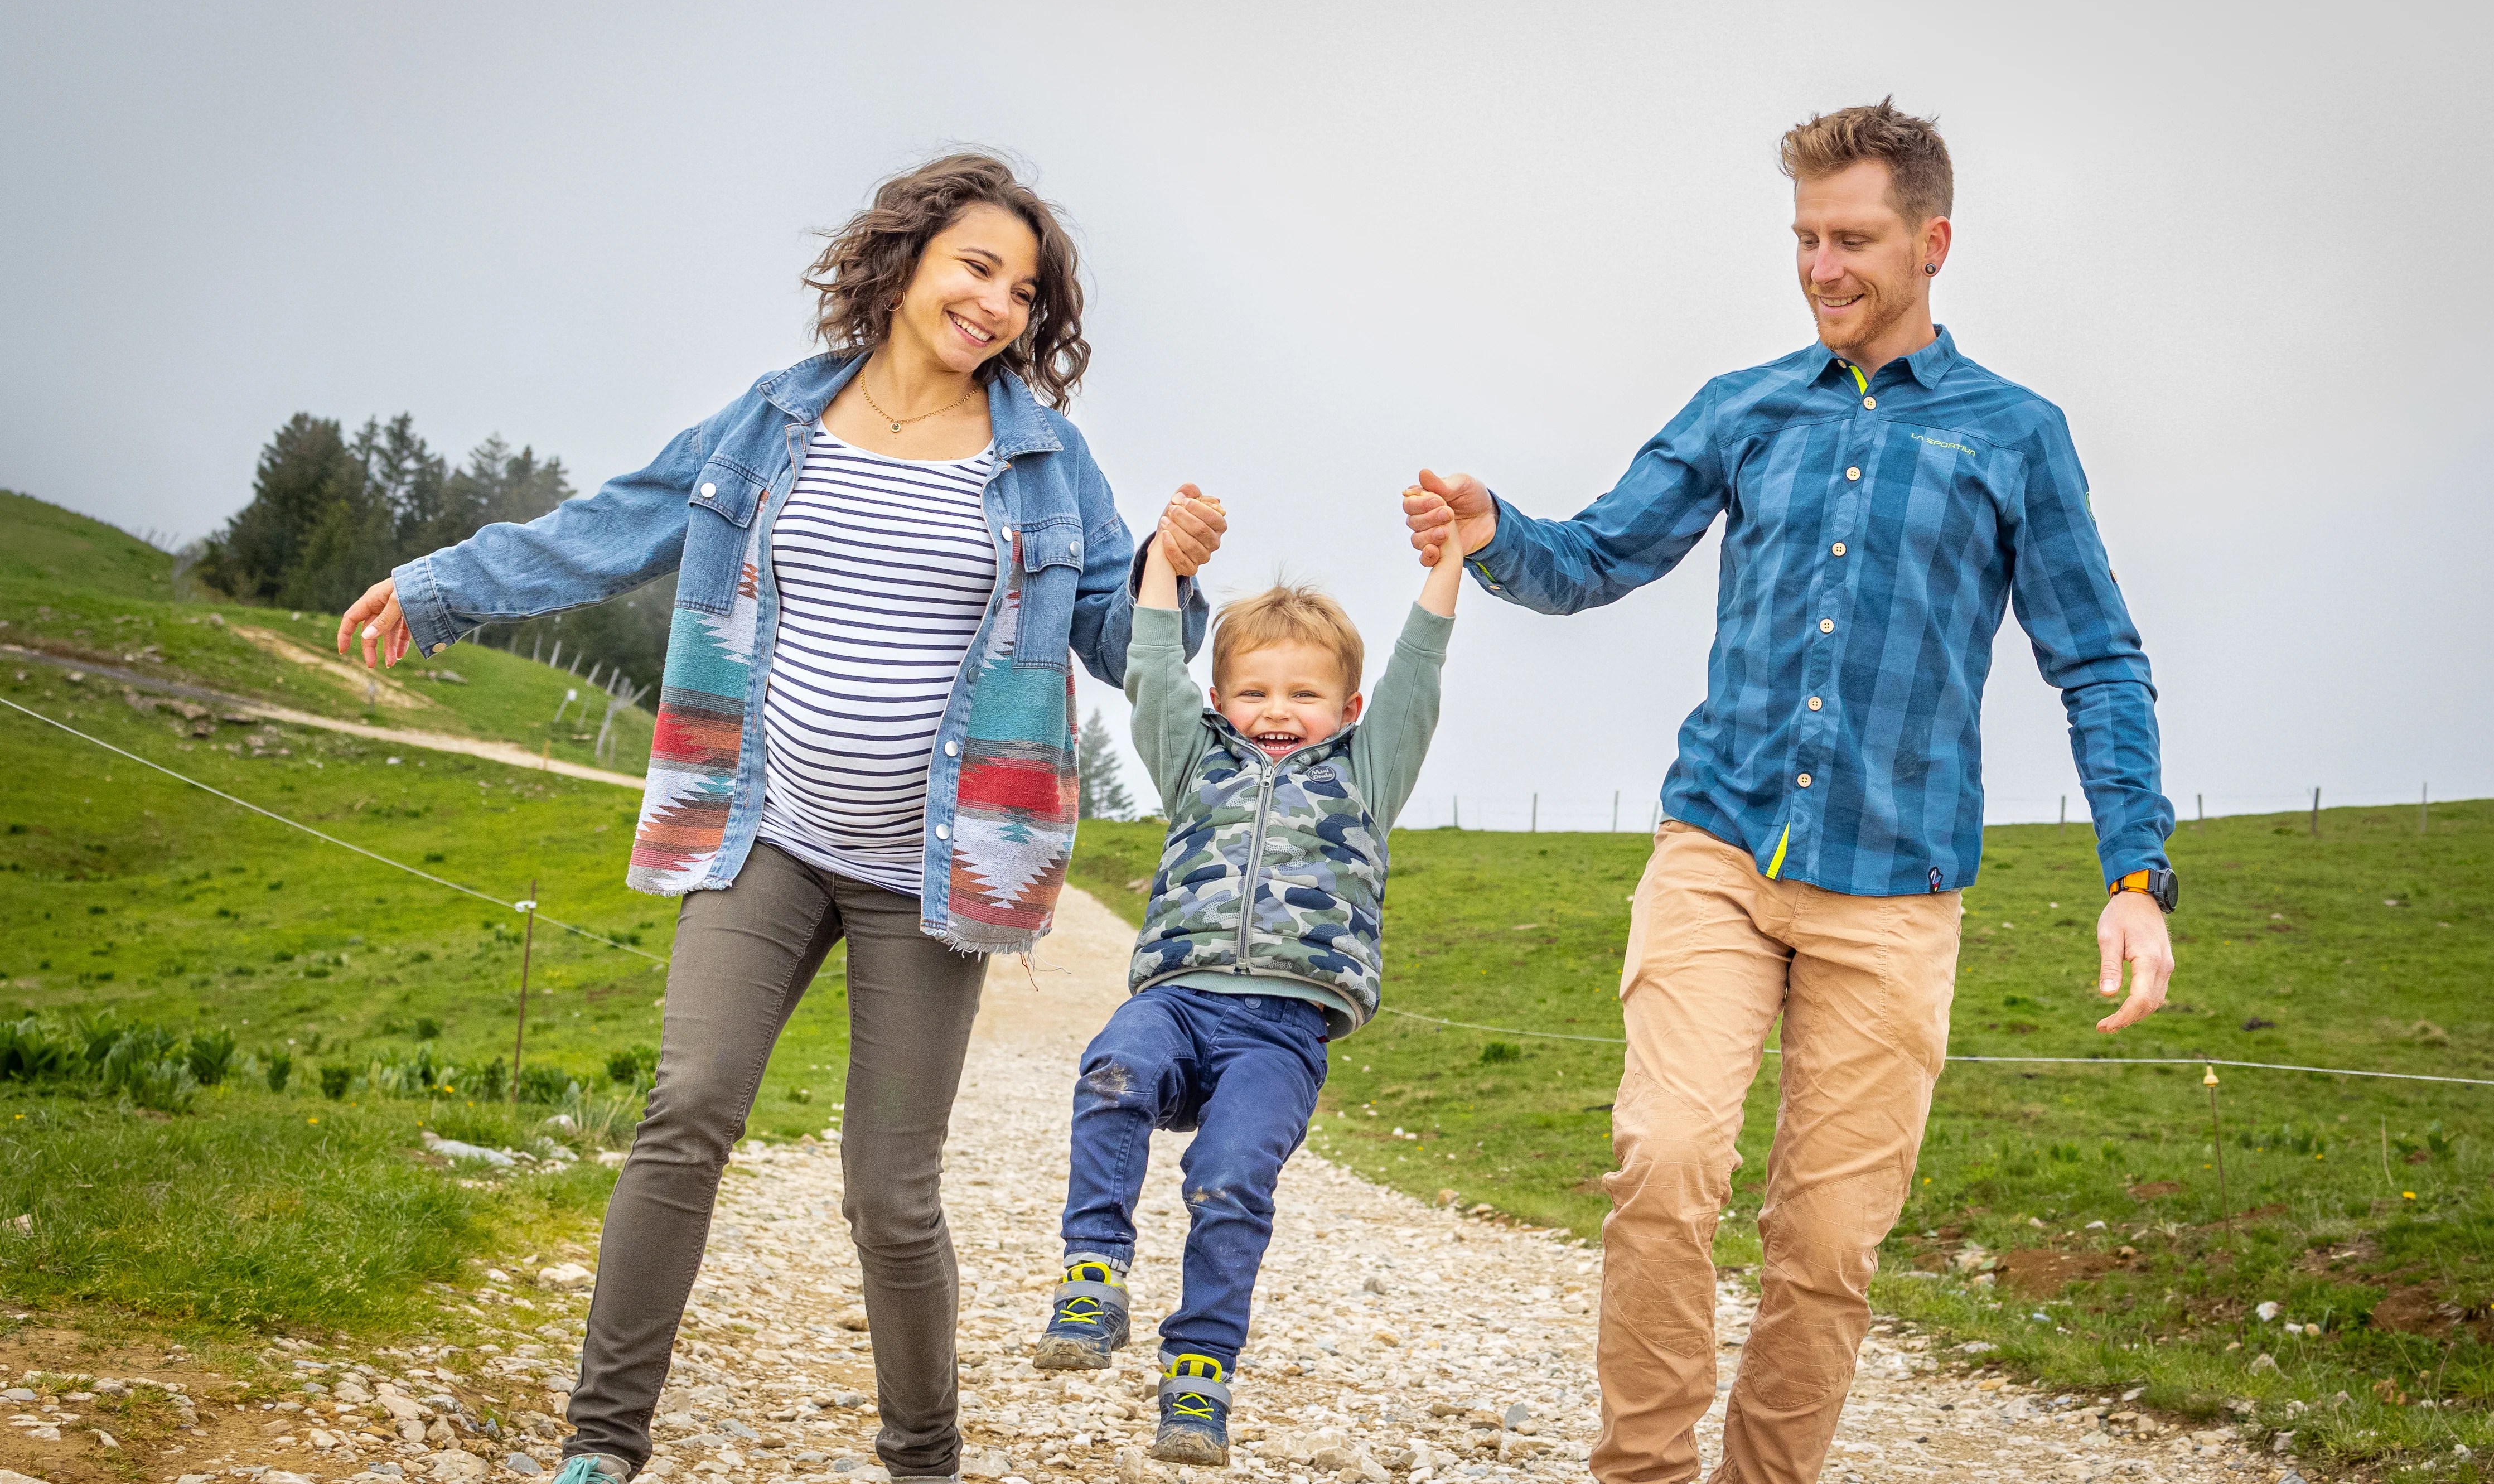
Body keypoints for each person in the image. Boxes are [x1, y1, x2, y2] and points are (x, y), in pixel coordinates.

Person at [334, 153, 1229, 1484]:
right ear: (909, 257)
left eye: (1023, 291)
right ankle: (602, 1441)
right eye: (976, 266)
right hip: (763, 827)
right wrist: (448, 585)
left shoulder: (1045, 464)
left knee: (890, 1191)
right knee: (686, 1108)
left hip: (932, 871)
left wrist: (1167, 575)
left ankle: (923, 1455)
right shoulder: (772, 422)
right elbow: (619, 523)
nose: (995, 303)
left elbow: (1113, 638)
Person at [1401, 99, 2179, 1484]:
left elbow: (2099, 662)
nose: (1823, 267)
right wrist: (1494, 534)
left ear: (1932, 243)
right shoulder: (1743, 409)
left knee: (1824, 1245)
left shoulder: (2013, 436)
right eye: (1806, 239)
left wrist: (2135, 876)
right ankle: (1641, 1470)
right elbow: (1593, 557)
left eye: (1854, 239)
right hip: (1719, 851)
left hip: (1895, 896)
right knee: (1663, 1161)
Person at [1027, 502, 1464, 1464]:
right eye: (1255, 691)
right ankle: (1093, 1273)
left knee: (1229, 1182)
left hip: (1280, 1034)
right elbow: (1149, 668)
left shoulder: (1368, 770)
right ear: (1221, 700)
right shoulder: (1193, 762)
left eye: (1304, 694)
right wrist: (1164, 568)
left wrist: (1450, 561)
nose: (1277, 710)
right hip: (1176, 1000)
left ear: (1347, 709)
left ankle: (1198, 1379)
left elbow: (1419, 675)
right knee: (1112, 1069)